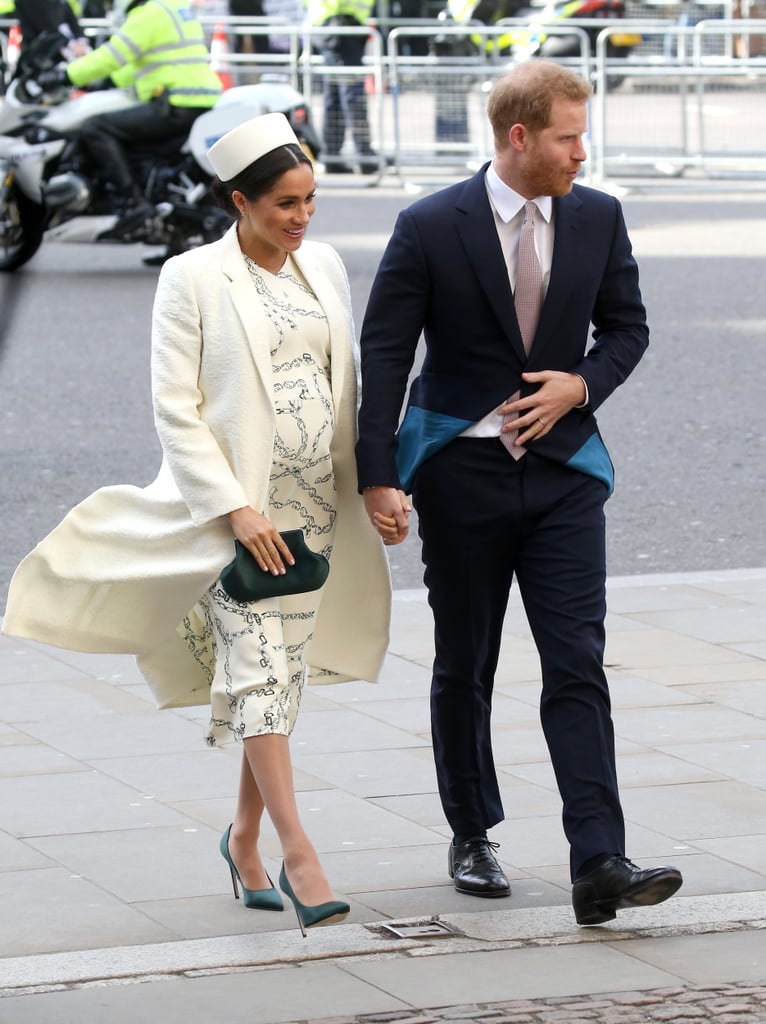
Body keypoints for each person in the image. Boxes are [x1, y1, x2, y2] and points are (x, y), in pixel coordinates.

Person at [2, 111, 391, 936]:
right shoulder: (192, 278)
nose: (302, 218)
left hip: (316, 505)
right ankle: (298, 853)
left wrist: (374, 486)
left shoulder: (322, 265)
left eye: (310, 199)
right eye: (284, 203)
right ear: (238, 201)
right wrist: (236, 509)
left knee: (281, 678)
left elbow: (344, 386)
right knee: (256, 668)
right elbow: (175, 411)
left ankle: (243, 836)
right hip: (236, 514)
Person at [355, 60, 684, 926]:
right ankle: (472, 832)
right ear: (520, 137)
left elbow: (627, 329)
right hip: (461, 475)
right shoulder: (430, 224)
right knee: (467, 660)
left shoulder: (599, 216)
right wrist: (377, 474)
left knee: (577, 659)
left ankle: (599, 860)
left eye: (584, 135)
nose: (584, 151)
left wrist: (580, 385)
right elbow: (386, 353)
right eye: (570, 136)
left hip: (566, 474)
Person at [39, 0, 222, 236]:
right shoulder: (174, 7)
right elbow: (138, 63)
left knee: (96, 127)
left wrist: (66, 75)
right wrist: (106, 81)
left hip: (176, 103)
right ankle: (172, 235)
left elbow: (111, 56)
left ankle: (132, 204)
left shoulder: (148, 14)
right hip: (199, 99)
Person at [306, 0, 382, 174]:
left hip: (330, 25)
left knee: (335, 95)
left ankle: (332, 154)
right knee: (352, 95)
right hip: (340, 26)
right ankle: (363, 155)